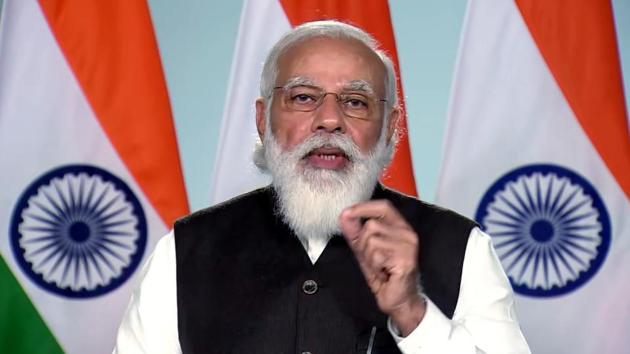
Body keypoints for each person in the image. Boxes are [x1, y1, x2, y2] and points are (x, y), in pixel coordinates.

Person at [113, 20, 530, 354]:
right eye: (303, 97)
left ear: (390, 129)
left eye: (355, 102)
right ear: (263, 121)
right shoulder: (184, 251)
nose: (329, 120)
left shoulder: (462, 248)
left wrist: (412, 313)